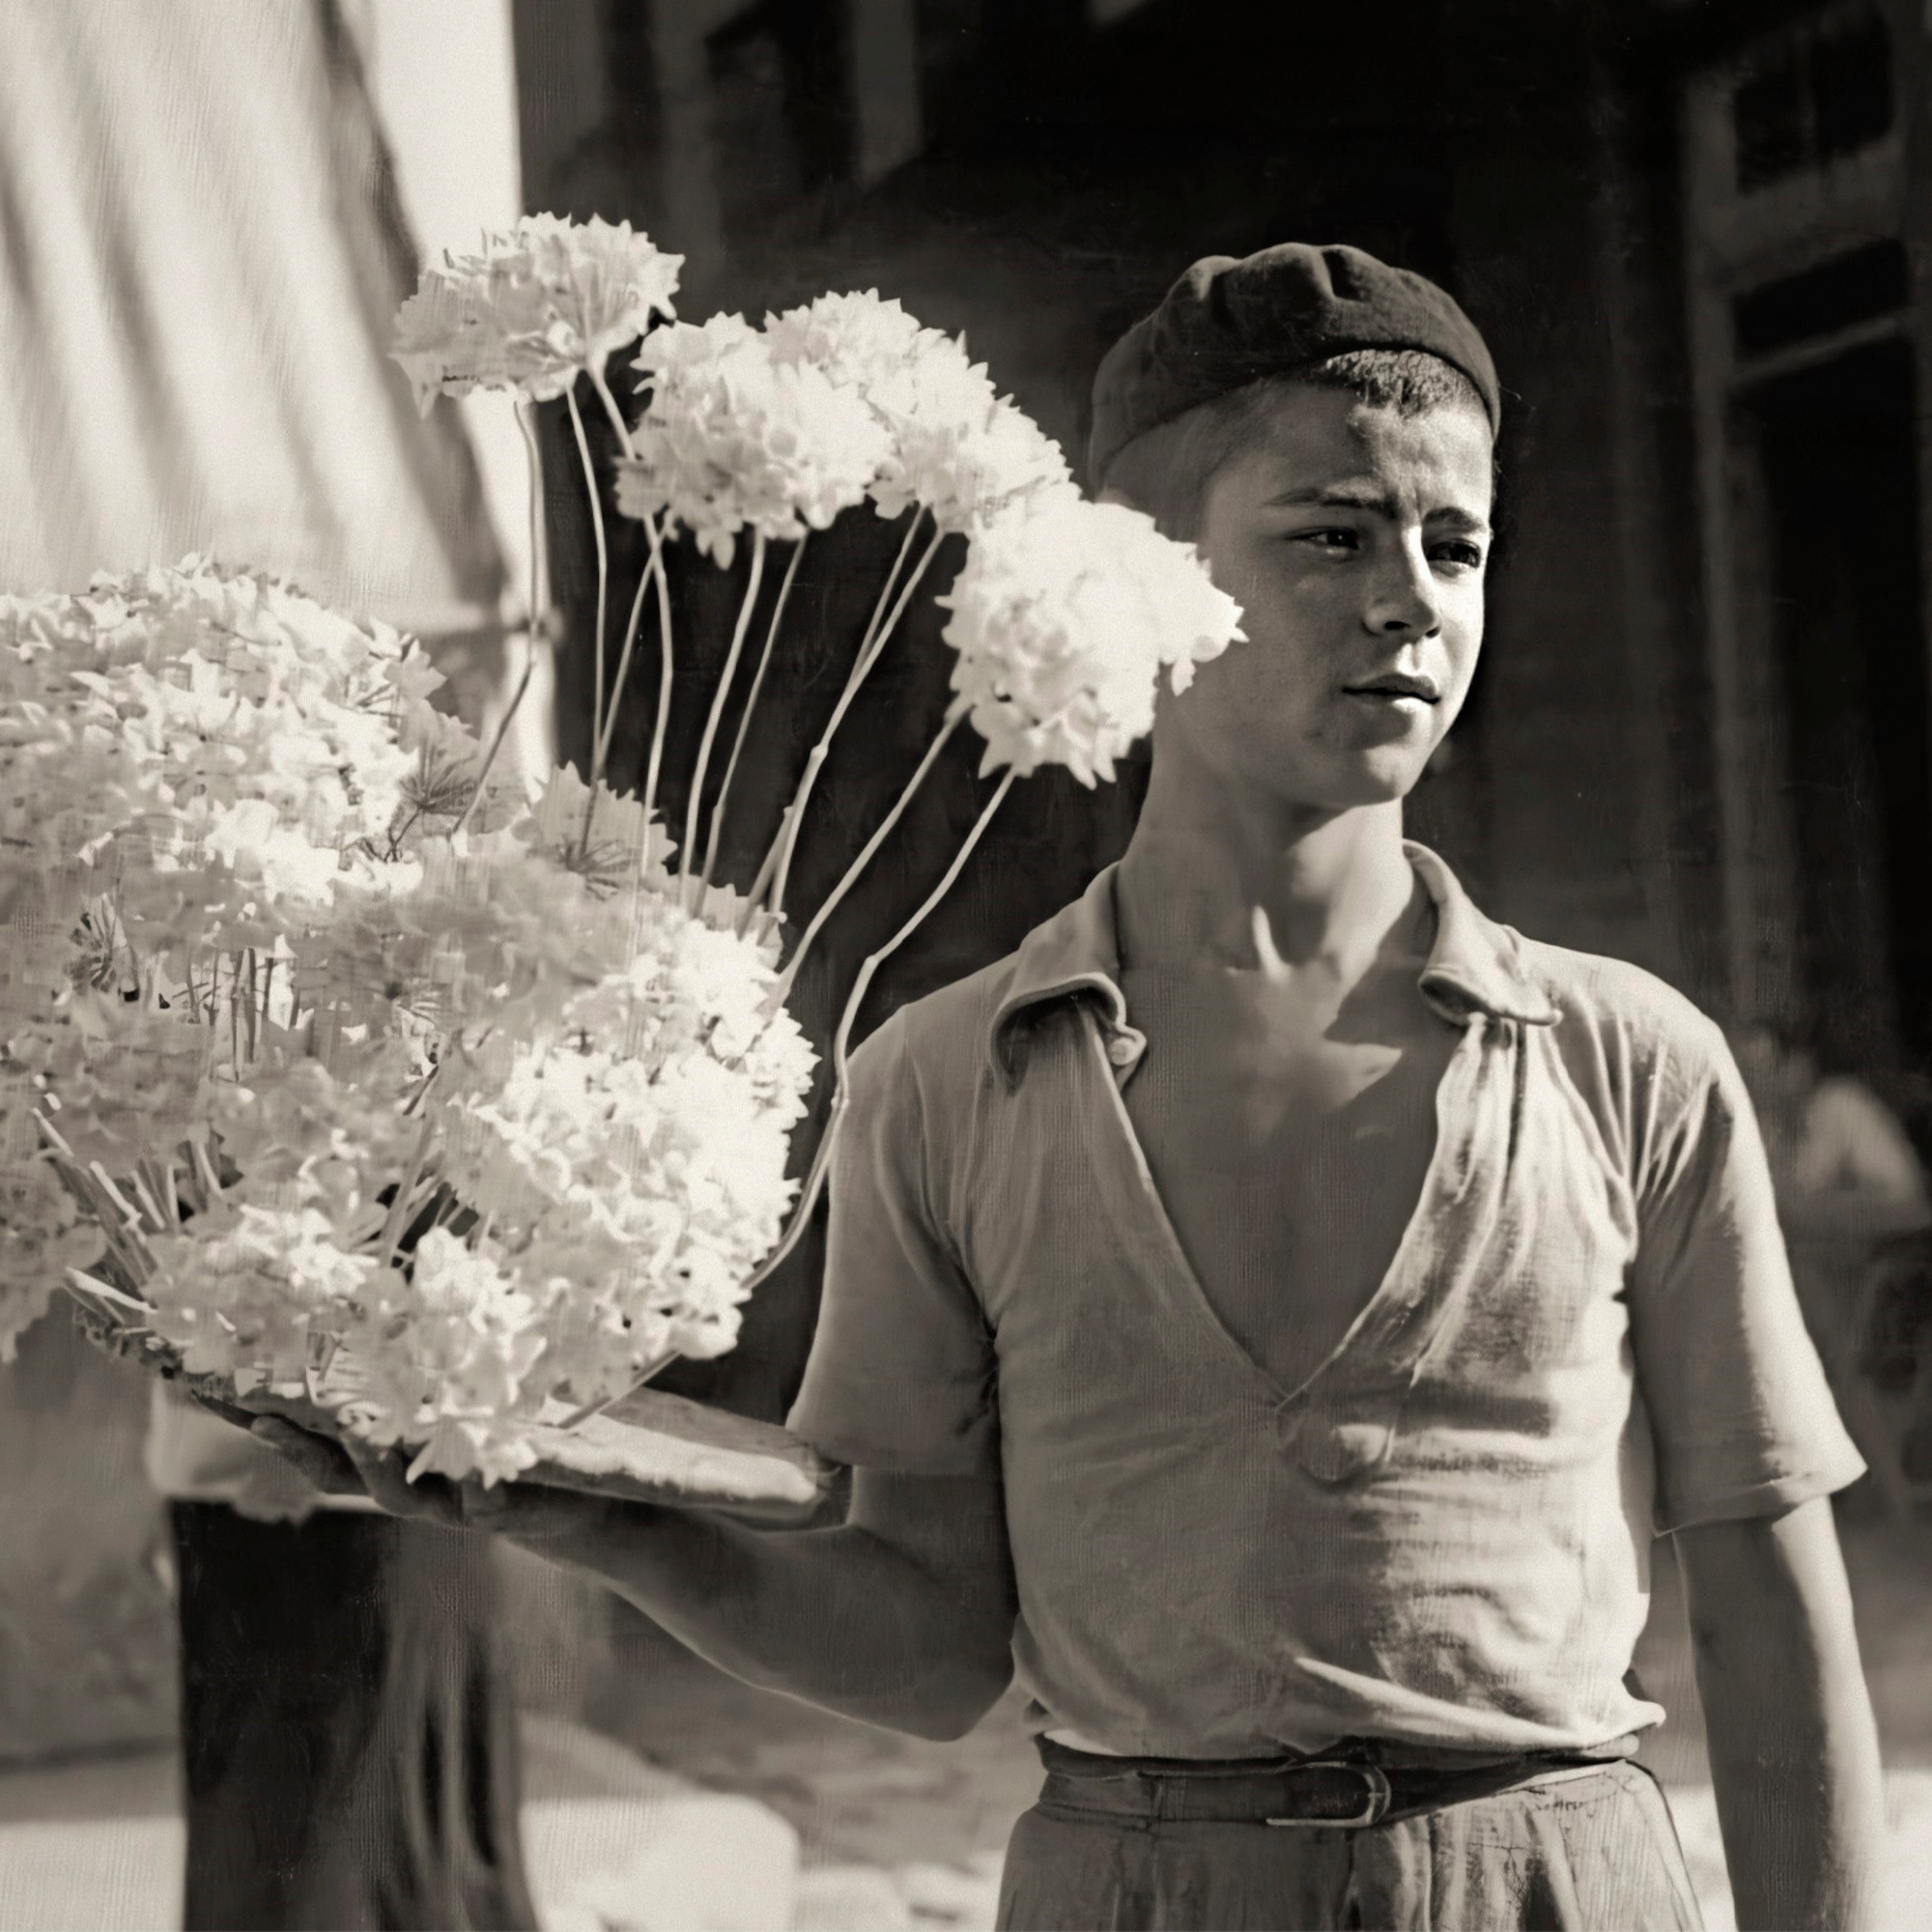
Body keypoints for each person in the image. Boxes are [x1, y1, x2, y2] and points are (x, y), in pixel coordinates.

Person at [258, 243, 1887, 1930]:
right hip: (1133, 1884)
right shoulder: (947, 1083)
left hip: (1554, 1879)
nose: (1412, 594)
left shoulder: (1628, 1063)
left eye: (1455, 542)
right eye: (1331, 533)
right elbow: (925, 1643)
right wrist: (601, 1523)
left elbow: (1772, 1605)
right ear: (1141, 582)